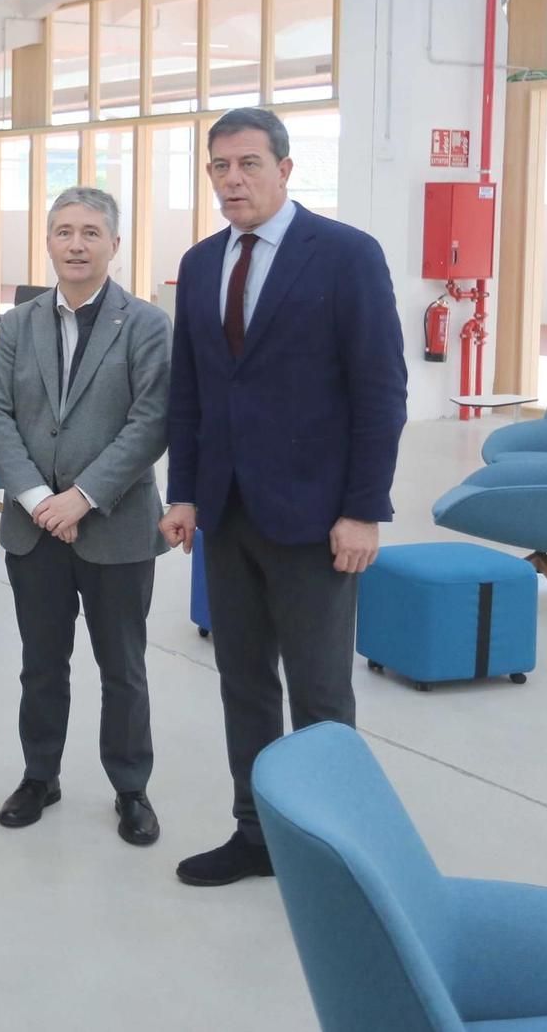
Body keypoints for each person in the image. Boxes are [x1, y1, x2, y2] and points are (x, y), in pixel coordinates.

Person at [158, 107, 407, 886]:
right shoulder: (201, 264)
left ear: (286, 169)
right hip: (227, 516)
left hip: (316, 518)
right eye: (220, 167)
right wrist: (187, 493)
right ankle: (256, 833)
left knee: (322, 692)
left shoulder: (344, 255)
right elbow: (191, 390)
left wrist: (364, 507)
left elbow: (381, 389)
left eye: (249, 164)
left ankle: (336, 852)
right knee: (245, 685)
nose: (233, 179)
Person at [0, 186, 172, 846]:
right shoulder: (19, 322)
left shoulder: (146, 325)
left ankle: (131, 787)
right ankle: (40, 774)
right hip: (36, 531)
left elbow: (151, 422)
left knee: (123, 666)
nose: (77, 244)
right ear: (48, 242)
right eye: (64, 231)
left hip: (115, 528)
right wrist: (37, 499)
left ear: (114, 244)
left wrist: (82, 496)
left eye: (91, 232)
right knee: (41, 661)